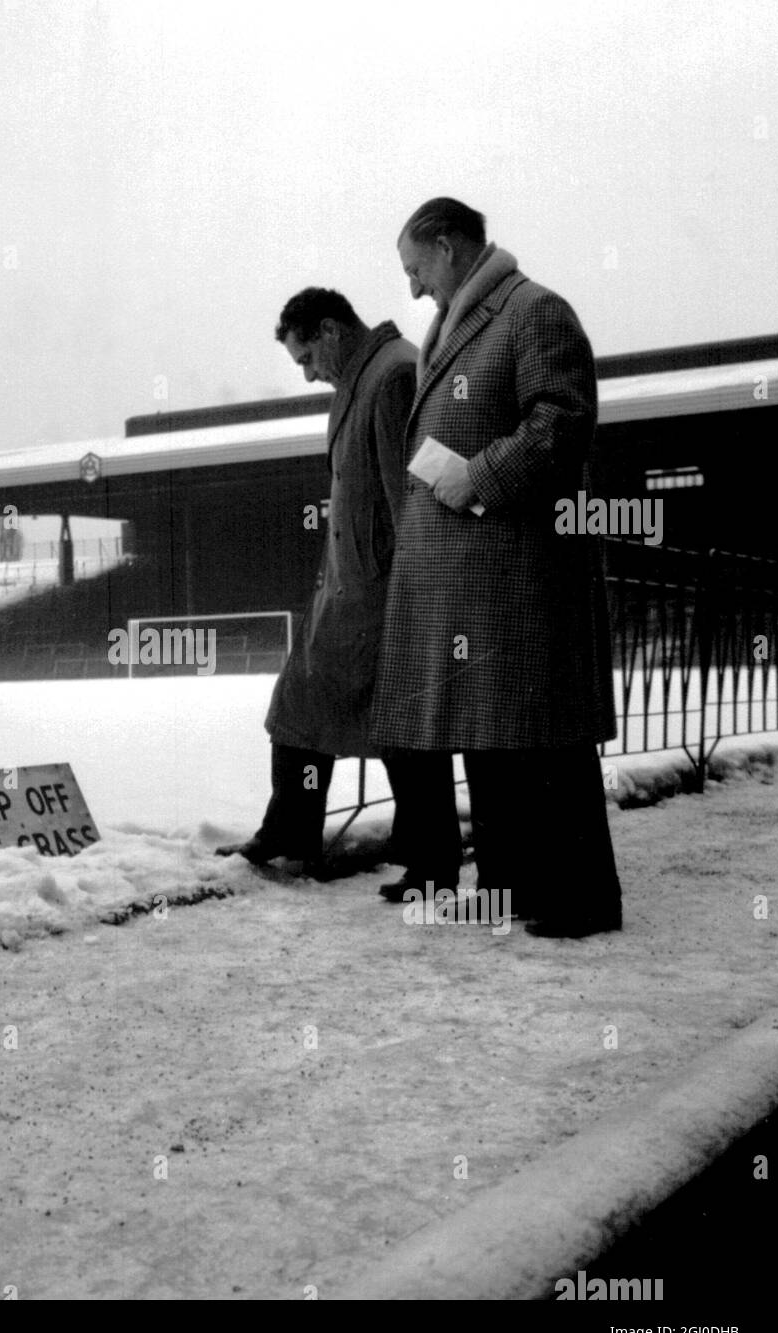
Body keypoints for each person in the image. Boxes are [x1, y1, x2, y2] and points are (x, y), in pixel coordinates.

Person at [370, 197, 622, 937]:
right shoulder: (461, 320)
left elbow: (562, 422)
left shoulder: (533, 312)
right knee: (495, 739)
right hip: (476, 578)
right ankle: (511, 887)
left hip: (519, 573)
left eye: (417, 270)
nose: (414, 288)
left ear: (448, 249)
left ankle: (576, 900)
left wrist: (480, 475)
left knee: (541, 739)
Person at [218, 287, 463, 886]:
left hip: (384, 595)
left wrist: (416, 596)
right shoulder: (365, 377)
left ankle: (430, 862)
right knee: (303, 708)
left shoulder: (393, 375)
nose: (307, 375)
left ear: (330, 330)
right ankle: (292, 830)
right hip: (352, 589)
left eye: (306, 359)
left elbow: (410, 497)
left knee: (405, 727)